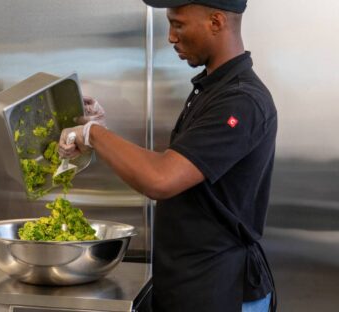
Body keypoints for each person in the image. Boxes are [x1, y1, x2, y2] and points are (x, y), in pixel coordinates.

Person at [58, 0, 277, 311]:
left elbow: (160, 178)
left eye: (178, 24)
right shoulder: (213, 89)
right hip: (191, 282)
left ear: (216, 22)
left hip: (222, 289)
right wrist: (99, 131)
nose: (171, 37)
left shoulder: (240, 100)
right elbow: (174, 164)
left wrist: (94, 135)